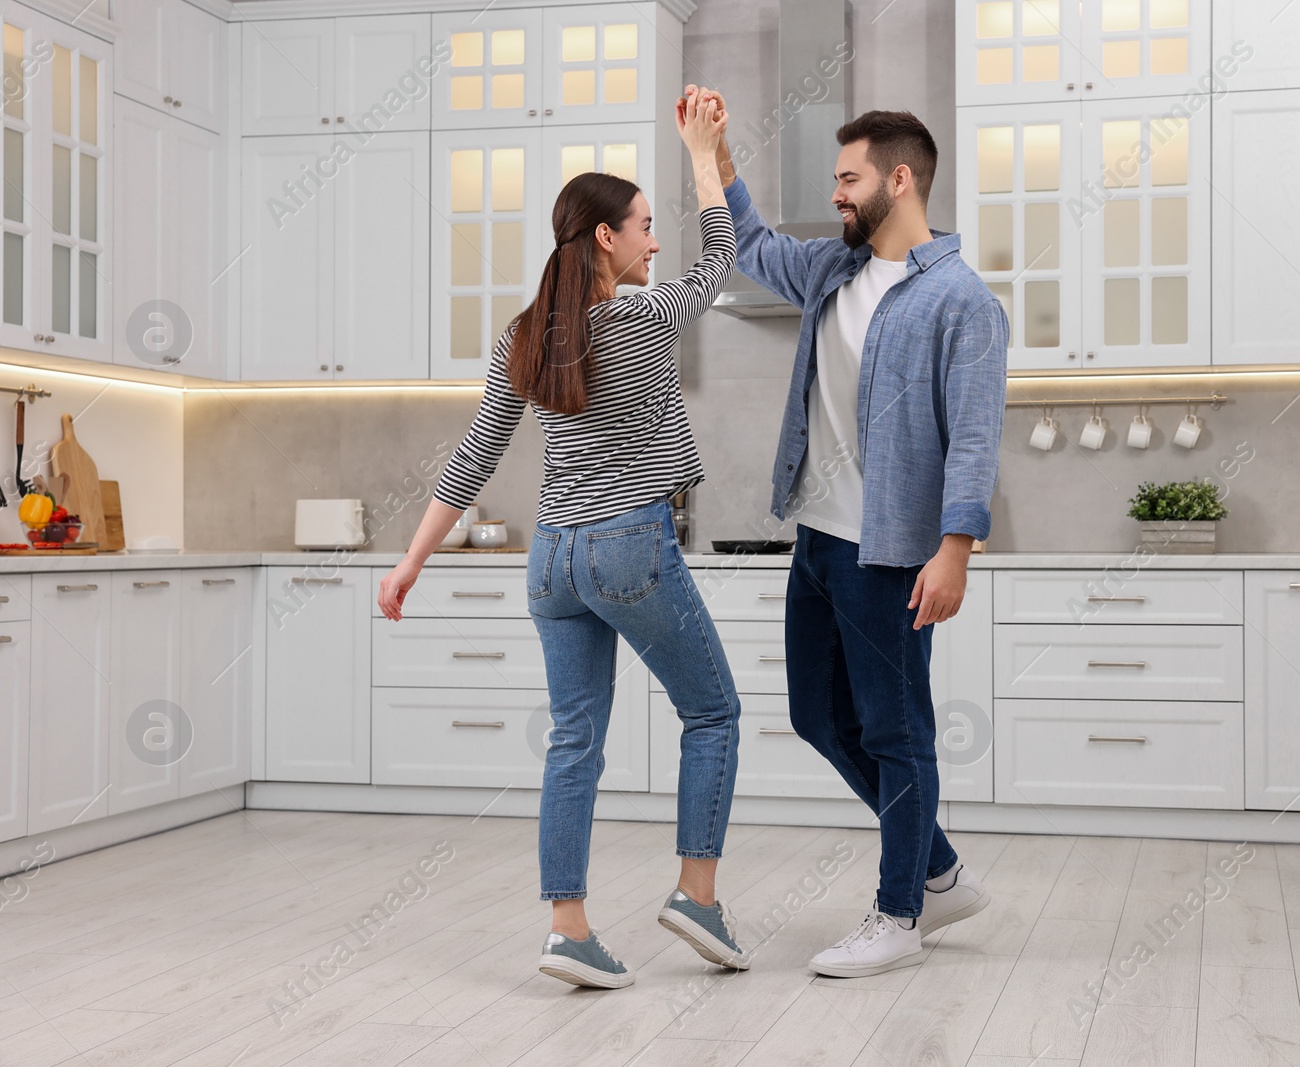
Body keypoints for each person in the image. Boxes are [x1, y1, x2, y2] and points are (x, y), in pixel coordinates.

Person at [378, 90, 748, 991]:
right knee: (714, 713)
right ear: (607, 240)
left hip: (553, 560)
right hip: (628, 544)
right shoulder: (640, 316)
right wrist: (704, 152)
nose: (657, 243)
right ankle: (696, 895)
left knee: (573, 740)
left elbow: (474, 456)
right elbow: (720, 262)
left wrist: (410, 561)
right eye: (646, 228)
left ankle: (568, 929)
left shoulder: (525, 333)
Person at [688, 87, 1008, 977]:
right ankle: (938, 866)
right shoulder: (834, 272)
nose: (836, 195)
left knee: (897, 730)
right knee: (815, 713)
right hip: (820, 542)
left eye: (847, 178)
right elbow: (750, 243)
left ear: (899, 180)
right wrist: (712, 153)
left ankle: (900, 912)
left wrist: (955, 548)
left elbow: (976, 436)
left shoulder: (961, 302)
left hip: (892, 550)